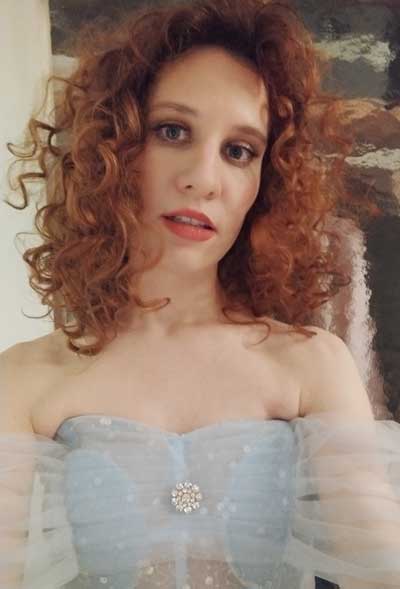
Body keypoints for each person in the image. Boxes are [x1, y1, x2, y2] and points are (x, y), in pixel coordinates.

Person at [1, 0, 400, 587]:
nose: (203, 179)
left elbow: (379, 567)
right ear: (114, 150)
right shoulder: (25, 377)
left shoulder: (311, 364)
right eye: (172, 131)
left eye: (239, 151)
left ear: (265, 181)